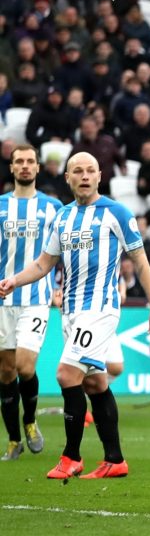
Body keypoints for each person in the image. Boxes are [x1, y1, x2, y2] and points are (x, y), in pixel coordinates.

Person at [0, 152, 150, 479]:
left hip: (100, 309)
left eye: (90, 170)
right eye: (77, 170)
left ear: (100, 175)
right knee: (94, 382)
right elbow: (43, 264)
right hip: (71, 312)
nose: (85, 175)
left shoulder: (116, 213)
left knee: (65, 375)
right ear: (68, 177)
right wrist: (13, 281)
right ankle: (115, 460)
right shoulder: (62, 217)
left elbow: (142, 262)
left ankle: (71, 456)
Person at [0, 145, 63, 461]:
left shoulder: (54, 208)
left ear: (38, 168)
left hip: (36, 298)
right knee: (5, 373)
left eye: (30, 162)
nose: (24, 166)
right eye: (19, 162)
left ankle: (29, 420)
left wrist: (60, 287)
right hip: (2, 301)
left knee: (25, 366)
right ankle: (13, 440)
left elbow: (63, 252)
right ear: (11, 168)